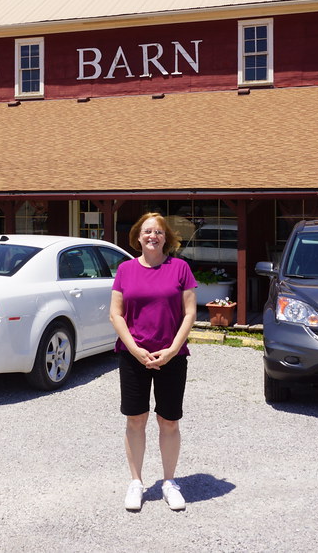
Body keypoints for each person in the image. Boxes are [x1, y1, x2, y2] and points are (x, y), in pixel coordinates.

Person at [109, 212, 198, 512]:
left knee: (169, 421)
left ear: (166, 238)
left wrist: (173, 349)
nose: (152, 236)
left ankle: (169, 482)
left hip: (172, 356)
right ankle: (136, 482)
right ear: (137, 237)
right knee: (136, 419)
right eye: (147, 231)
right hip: (134, 355)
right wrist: (134, 349)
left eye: (158, 232)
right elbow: (115, 314)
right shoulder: (125, 270)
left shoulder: (180, 268)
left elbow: (189, 314)